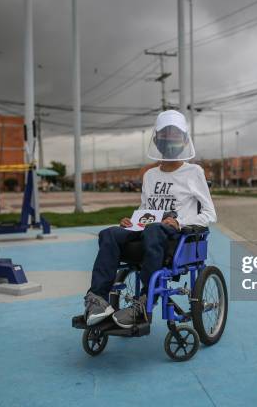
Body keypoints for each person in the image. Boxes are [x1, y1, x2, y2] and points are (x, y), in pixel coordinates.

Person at [84, 110, 217, 328]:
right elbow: (147, 208)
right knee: (109, 234)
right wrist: (133, 220)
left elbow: (210, 214)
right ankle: (98, 299)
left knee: (154, 230)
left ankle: (144, 301)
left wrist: (180, 222)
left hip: (175, 236)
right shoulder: (150, 175)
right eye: (164, 135)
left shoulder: (194, 172)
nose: (169, 140)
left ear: (184, 140)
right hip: (147, 230)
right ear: (156, 140)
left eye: (175, 135)